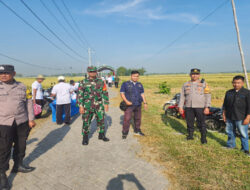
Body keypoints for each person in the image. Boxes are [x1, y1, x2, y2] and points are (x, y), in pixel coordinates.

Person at [0, 65, 36, 190]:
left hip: (22, 121)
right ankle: (2, 174)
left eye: (6, 72)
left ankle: (18, 165)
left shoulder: (23, 86)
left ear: (14, 73)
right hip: (4, 122)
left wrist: (31, 119)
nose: (3, 75)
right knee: (4, 149)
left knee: (21, 145)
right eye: (1, 73)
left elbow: (29, 103)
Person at [77, 66, 110, 145]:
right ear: (88, 72)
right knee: (86, 121)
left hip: (99, 105)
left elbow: (105, 92)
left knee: (101, 120)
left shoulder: (101, 81)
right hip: (87, 105)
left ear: (96, 72)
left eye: (94, 71)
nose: (93, 73)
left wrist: (106, 103)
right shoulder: (83, 82)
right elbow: (79, 95)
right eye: (91, 71)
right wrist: (81, 106)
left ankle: (101, 135)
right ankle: (85, 137)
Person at [179, 69, 211, 144]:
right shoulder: (185, 84)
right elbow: (182, 96)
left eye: (196, 74)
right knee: (189, 122)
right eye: (193, 74)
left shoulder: (204, 84)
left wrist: (207, 107)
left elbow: (208, 96)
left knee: (201, 123)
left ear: (199, 75)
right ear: (190, 75)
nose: (194, 75)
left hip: (200, 106)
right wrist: (180, 107)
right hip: (189, 106)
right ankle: (190, 135)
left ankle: (203, 138)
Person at [222, 75, 250, 156]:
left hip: (241, 117)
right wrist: (224, 114)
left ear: (242, 83)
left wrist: (248, 118)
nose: (236, 84)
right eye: (234, 82)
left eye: (238, 83)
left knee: (243, 134)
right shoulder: (229, 92)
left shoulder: (247, 93)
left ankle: (245, 150)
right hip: (229, 116)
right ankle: (230, 146)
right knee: (230, 132)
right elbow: (225, 105)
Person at [120, 70, 148, 139]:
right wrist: (126, 101)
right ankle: (125, 132)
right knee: (127, 119)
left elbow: (142, 94)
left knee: (138, 118)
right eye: (134, 76)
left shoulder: (139, 84)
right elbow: (122, 93)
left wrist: (145, 102)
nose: (135, 77)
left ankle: (137, 130)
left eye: (137, 76)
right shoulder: (125, 84)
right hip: (129, 105)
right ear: (131, 76)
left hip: (138, 104)